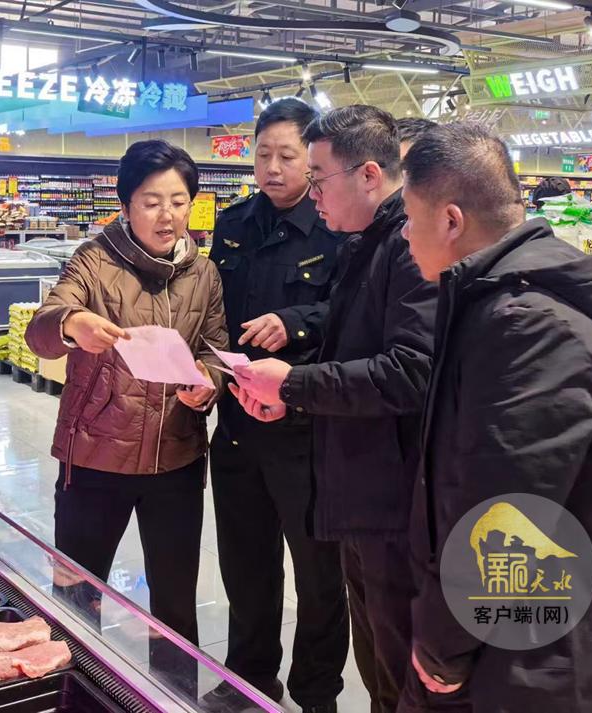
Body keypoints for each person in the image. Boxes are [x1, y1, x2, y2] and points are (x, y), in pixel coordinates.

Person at [400, 122, 592, 713]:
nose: (405, 234)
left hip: (550, 652)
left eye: (410, 217)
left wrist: (442, 647)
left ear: (451, 220)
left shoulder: (527, 323)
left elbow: (506, 509)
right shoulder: (508, 299)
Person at [229, 105, 438, 713]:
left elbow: (410, 371)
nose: (310, 190)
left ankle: (316, 691)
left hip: (386, 487)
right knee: (376, 650)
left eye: (316, 175)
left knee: (392, 658)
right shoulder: (365, 243)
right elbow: (349, 348)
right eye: (264, 155)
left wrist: (293, 384)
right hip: (342, 461)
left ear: (369, 175)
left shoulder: (407, 246)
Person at [25, 140, 229, 665]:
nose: (168, 216)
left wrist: (208, 382)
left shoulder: (203, 274)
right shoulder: (93, 261)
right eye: (151, 202)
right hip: (95, 457)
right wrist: (72, 323)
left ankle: (175, 691)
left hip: (176, 459)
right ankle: (76, 687)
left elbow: (214, 349)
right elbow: (41, 330)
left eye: (179, 202)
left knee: (175, 603)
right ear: (125, 204)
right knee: (77, 592)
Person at [203, 98, 348, 713]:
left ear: (311, 160)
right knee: (246, 564)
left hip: (305, 430)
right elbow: (212, 310)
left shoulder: (337, 228)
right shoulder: (233, 223)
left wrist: (296, 322)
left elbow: (352, 314)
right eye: (263, 154)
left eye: (287, 155)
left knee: (319, 576)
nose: (272, 167)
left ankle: (316, 693)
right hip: (237, 425)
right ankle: (249, 677)